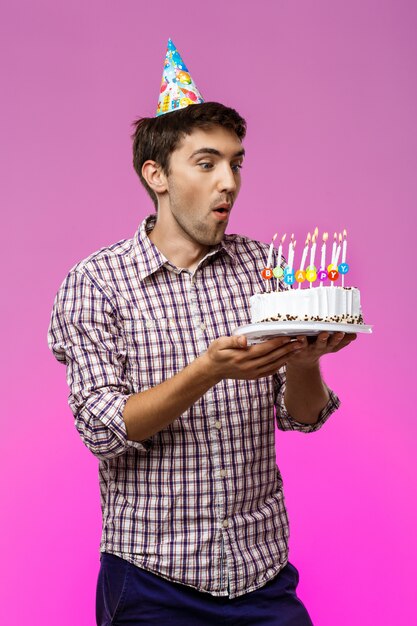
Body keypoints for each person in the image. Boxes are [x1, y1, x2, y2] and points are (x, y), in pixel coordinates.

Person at [48, 41, 356, 626]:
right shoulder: (96, 283)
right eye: (207, 163)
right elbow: (101, 429)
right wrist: (208, 369)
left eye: (237, 163)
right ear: (156, 175)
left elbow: (304, 417)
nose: (230, 183)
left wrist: (306, 358)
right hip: (151, 581)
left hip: (262, 574)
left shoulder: (263, 270)